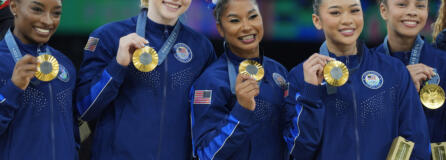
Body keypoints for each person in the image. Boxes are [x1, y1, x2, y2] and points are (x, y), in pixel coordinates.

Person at [286, 0, 430, 159]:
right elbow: (299, 151)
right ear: (317, 21)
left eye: (354, 11)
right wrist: (311, 92)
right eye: (336, 12)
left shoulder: (393, 70)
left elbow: (417, 142)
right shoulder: (300, 76)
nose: (348, 20)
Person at [75, 0, 217, 159]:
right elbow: (84, 108)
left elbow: (208, 116)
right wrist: (117, 65)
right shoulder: (107, 36)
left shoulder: (202, 48)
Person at [190, 0, 290, 159]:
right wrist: (241, 111)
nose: (247, 26)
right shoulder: (209, 81)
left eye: (253, 16)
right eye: (235, 20)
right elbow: (205, 154)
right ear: (220, 29)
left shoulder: (278, 72)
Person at [0, 0, 78, 159]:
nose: (48, 21)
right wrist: (13, 88)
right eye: (37, 10)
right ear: (14, 7)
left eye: (56, 13)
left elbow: (73, 131)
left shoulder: (65, 65)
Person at [374, 0, 446, 144]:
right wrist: (399, 84)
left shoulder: (442, 62)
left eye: (420, 6)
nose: (412, 12)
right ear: (384, 10)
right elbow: (355, 123)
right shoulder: (365, 66)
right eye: (402, 4)